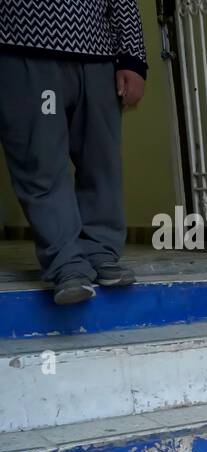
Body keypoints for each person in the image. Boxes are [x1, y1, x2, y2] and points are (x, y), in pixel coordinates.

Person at [0, 0, 148, 304]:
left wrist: (133, 59)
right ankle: (66, 264)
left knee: (101, 161)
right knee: (41, 164)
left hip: (98, 57)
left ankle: (100, 253)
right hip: (23, 51)